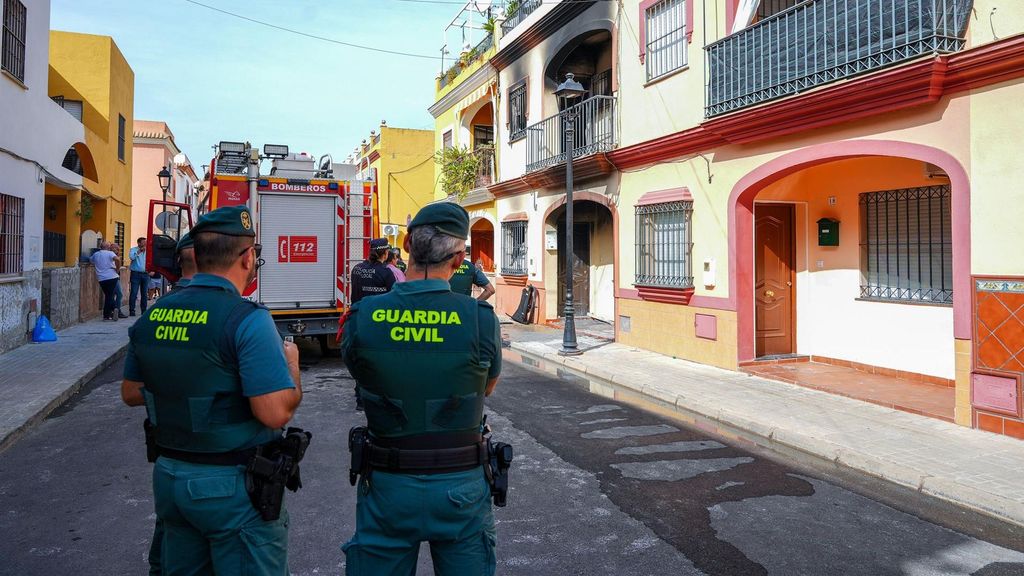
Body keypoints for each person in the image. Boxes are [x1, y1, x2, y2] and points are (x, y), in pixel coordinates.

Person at [120, 206, 304, 575]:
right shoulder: (247, 319)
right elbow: (275, 412)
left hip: (171, 478)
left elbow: (131, 391)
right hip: (230, 486)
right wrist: (292, 366)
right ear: (249, 257)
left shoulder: (154, 314)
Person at [341, 202, 502, 575]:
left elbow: (361, 374)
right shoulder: (480, 320)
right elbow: (487, 387)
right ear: (460, 256)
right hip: (460, 485)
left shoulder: (364, 317)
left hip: (388, 485)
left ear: (409, 244)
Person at [350, 238, 397, 304]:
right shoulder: (386, 272)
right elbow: (394, 295)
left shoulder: (357, 268)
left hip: (357, 312)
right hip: (375, 312)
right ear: (385, 253)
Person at [90, 241, 121, 321]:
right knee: (109, 296)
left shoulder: (96, 254)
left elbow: (90, 260)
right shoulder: (110, 253)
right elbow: (117, 259)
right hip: (112, 277)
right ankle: (109, 313)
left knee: (108, 295)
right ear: (108, 247)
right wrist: (117, 269)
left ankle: (113, 310)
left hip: (102, 278)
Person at [129, 237, 149, 316]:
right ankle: (132, 310)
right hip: (135, 274)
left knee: (144, 293)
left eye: (146, 242)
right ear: (139, 243)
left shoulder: (149, 251)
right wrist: (139, 252)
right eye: (144, 242)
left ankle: (144, 311)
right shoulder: (133, 249)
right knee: (134, 292)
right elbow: (131, 257)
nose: (145, 244)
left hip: (145, 274)